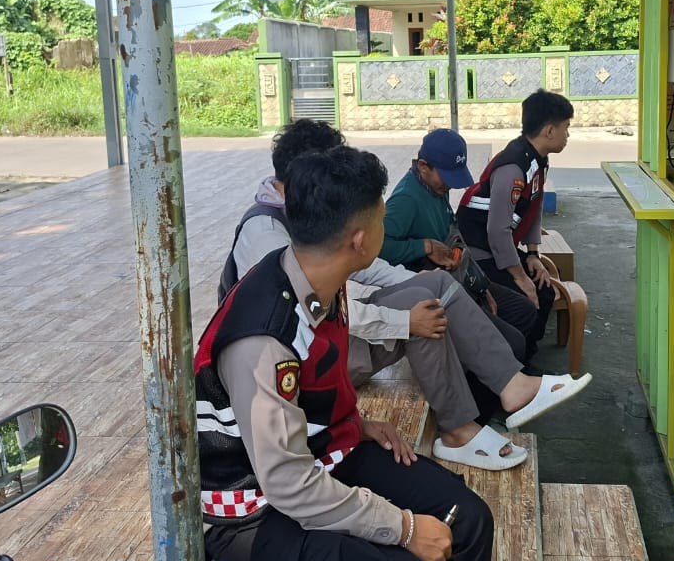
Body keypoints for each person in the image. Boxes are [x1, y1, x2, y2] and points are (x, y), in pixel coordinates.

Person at [197, 147, 492, 561]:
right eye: (382, 217)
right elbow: (287, 483)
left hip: (319, 452)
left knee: (467, 519)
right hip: (252, 509)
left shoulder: (317, 278)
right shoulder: (264, 339)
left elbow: (310, 393)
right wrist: (404, 528)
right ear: (360, 239)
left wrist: (356, 423)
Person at [220, 120, 590, 471]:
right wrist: (402, 319)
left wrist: (421, 280)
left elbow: (367, 268)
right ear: (306, 177)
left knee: (435, 287)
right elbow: (309, 316)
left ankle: (512, 386)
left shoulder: (311, 213)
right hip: (304, 364)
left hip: (334, 337)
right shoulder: (266, 234)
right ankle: (459, 429)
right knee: (419, 314)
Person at [382, 128, 583, 419]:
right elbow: (380, 248)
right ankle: (483, 415)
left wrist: (481, 286)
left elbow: (456, 238)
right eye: (445, 178)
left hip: (462, 276)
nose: (448, 187)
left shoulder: (434, 189)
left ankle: (513, 384)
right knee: (511, 341)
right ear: (423, 167)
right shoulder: (406, 200)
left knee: (525, 311)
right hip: (435, 289)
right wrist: (422, 246)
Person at [456, 90, 573, 360]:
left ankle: (527, 357)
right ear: (549, 131)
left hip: (498, 248)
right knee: (525, 301)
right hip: (478, 252)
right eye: (566, 127)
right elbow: (496, 232)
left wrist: (533, 255)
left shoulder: (538, 159)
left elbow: (534, 203)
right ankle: (512, 366)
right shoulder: (513, 168)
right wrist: (521, 278)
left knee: (544, 292)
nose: (568, 135)